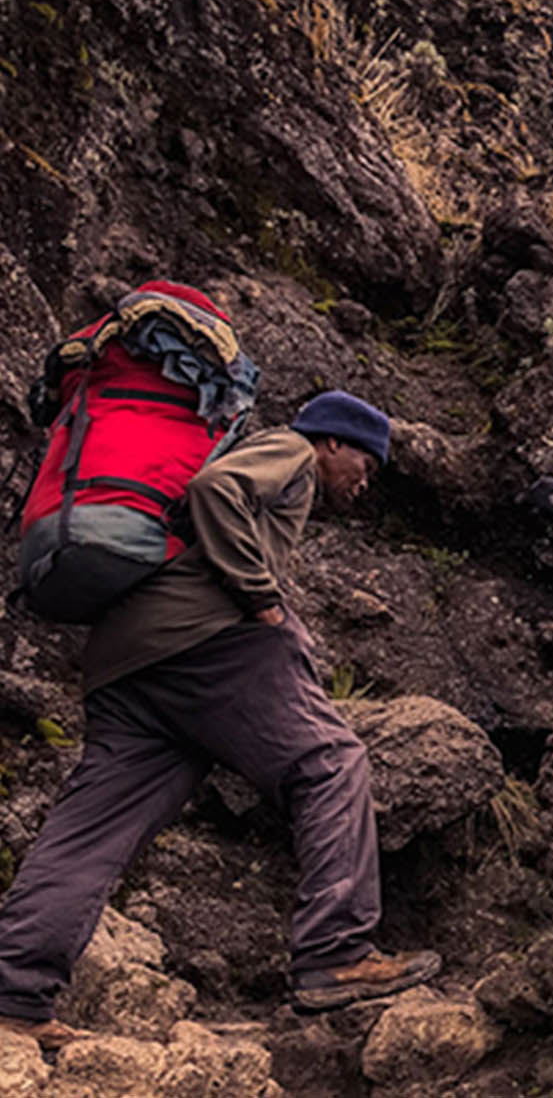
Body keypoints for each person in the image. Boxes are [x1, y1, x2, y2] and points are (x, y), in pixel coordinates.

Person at [0, 391, 439, 1045]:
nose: (363, 482)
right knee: (331, 762)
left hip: (126, 664)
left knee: (89, 835)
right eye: (366, 465)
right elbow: (215, 490)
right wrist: (263, 599)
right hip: (207, 646)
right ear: (334, 442)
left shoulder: (278, 463)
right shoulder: (291, 449)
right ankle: (337, 951)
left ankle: (14, 996)